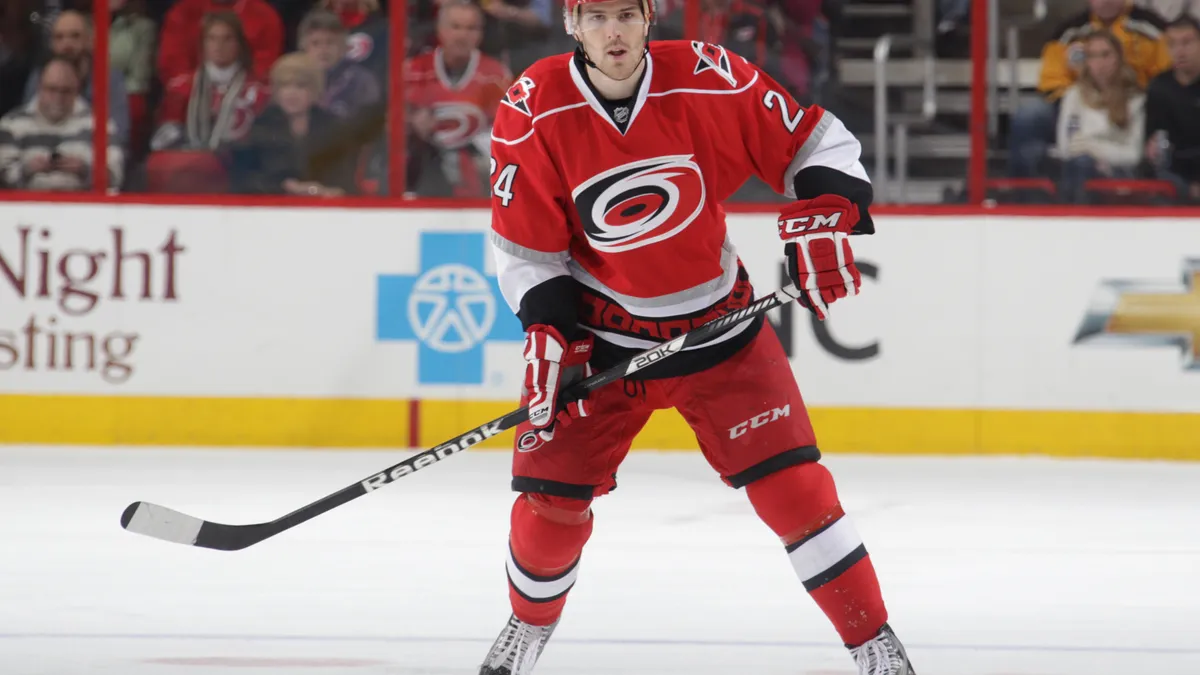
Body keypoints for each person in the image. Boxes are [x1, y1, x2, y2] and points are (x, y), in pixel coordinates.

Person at [478, 1, 911, 674]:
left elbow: (815, 142)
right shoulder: (534, 105)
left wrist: (825, 214)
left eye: (627, 13)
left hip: (720, 326)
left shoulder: (708, 76)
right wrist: (546, 325)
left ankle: (875, 644)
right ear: (572, 24)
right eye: (596, 17)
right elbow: (526, 247)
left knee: (798, 492)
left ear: (650, 17)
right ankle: (527, 626)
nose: (614, 31)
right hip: (605, 338)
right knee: (548, 510)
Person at [1008, 0, 1169, 181]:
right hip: (1082, 105)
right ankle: (1025, 198)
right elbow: (1051, 81)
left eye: (1106, 55)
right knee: (1030, 117)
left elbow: (1167, 79)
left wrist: (1123, 97)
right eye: (1092, 56)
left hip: (1133, 105)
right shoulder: (1068, 32)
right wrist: (1088, 102)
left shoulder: (1153, 28)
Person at [405, 0, 512, 197]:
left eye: (471, 28)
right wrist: (411, 122)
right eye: (455, 27)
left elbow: (506, 132)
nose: (462, 35)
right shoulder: (413, 70)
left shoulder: (496, 75)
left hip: (476, 168)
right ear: (440, 29)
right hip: (424, 166)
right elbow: (390, 121)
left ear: (480, 33)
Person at [229, 52, 357, 196]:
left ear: (315, 90)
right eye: (285, 86)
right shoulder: (262, 125)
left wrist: (329, 191)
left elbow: (345, 180)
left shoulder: (333, 127)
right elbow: (245, 179)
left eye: (300, 86)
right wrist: (287, 187)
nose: (291, 93)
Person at [0, 56, 123, 190]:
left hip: (83, 207)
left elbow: (114, 177)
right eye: (52, 89)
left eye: (66, 91)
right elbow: (2, 178)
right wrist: (28, 170)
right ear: (39, 87)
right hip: (24, 208)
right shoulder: (12, 125)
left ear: (77, 90)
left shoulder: (100, 125)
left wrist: (84, 170)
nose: (58, 97)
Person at [1055, 30, 1146, 202]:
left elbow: (1133, 154)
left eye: (1106, 55)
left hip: (1120, 176)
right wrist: (1095, 150)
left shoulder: (1135, 99)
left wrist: (1092, 146)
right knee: (1078, 164)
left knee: (1083, 161)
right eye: (1093, 56)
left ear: (1118, 58)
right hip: (1080, 169)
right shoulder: (1074, 96)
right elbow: (1065, 147)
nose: (1100, 63)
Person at [1145, 14, 1200, 200]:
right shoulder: (1159, 87)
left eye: (1187, 43)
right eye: (1172, 44)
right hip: (1176, 174)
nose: (1179, 51)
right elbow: (1153, 140)